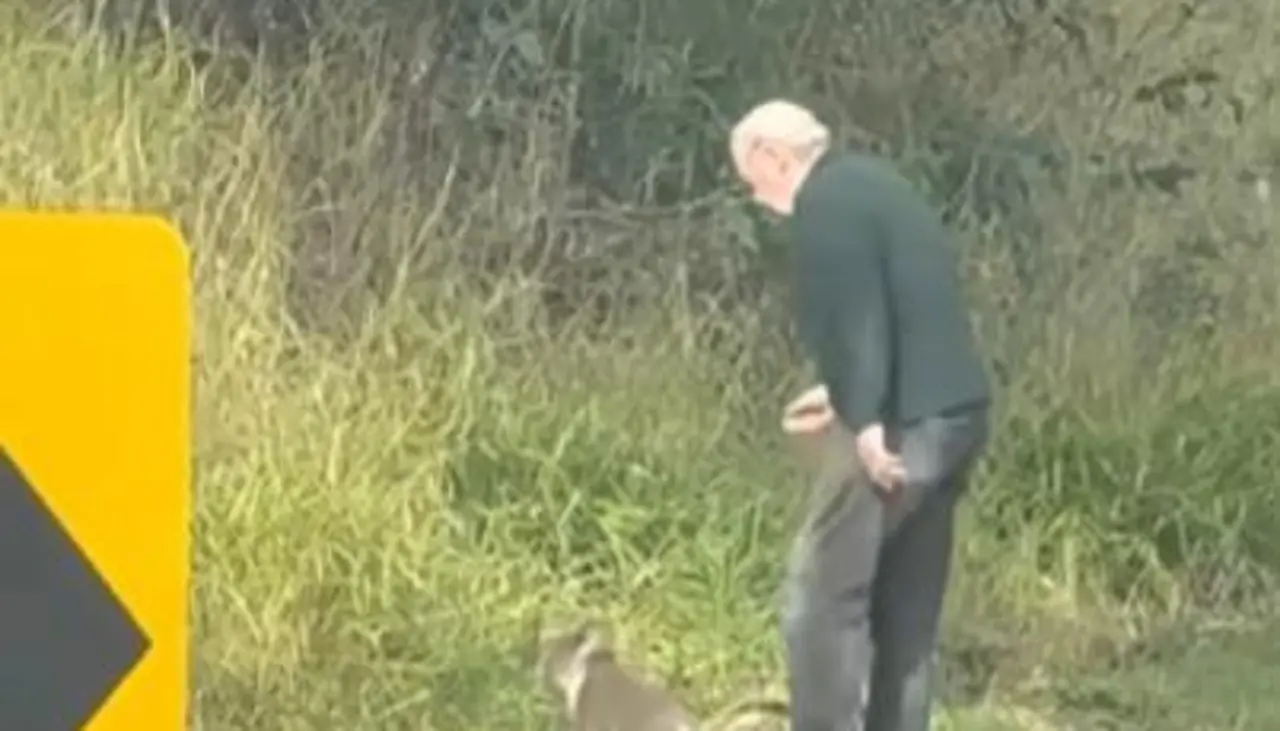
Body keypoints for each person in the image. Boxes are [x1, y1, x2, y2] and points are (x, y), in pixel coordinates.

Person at [730, 99, 993, 731]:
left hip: (902, 430)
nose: (756, 197)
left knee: (820, 601)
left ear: (773, 154)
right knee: (906, 615)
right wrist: (844, 390)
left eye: (751, 179)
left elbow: (858, 323)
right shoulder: (878, 186)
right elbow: (905, 308)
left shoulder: (822, 204)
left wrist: (867, 424)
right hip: (957, 413)